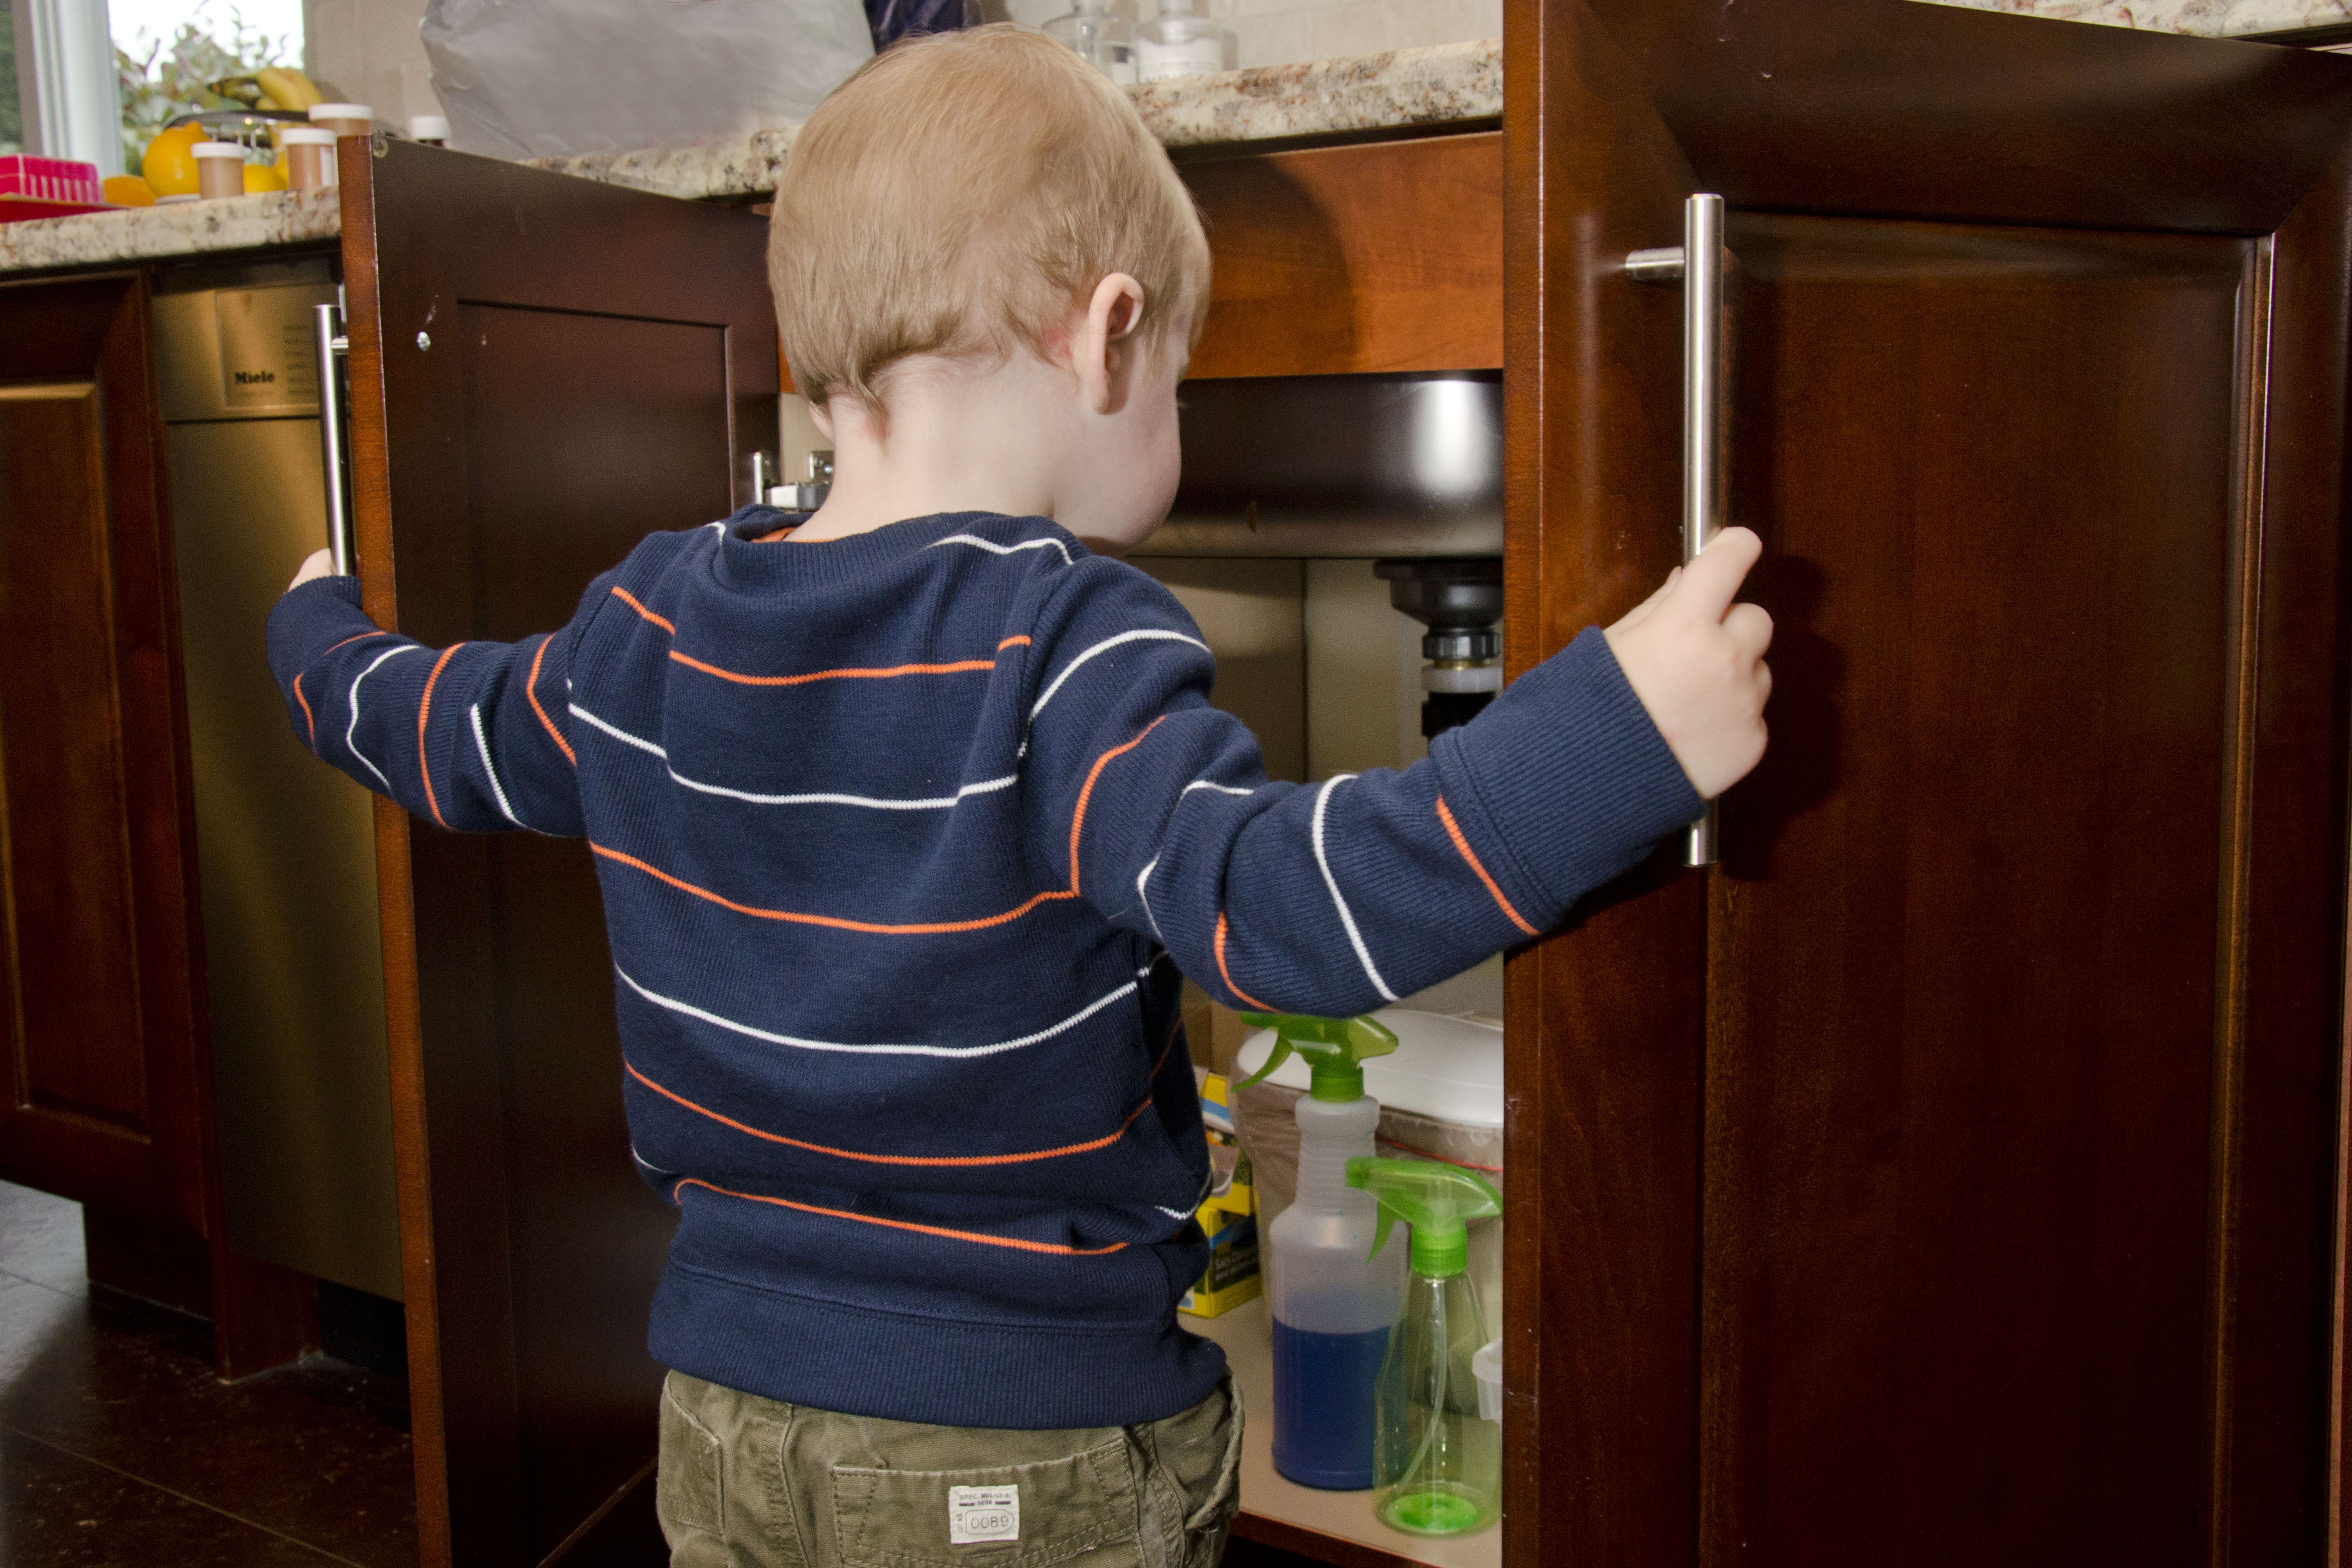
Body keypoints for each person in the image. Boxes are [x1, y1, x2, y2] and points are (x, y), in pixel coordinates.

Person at [265, 24, 1770, 1568]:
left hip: (723, 1425)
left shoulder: (648, 625)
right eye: (1179, 375)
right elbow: (1277, 910)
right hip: (1016, 1446)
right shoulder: (1060, 645)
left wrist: (318, 634)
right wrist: (1617, 738)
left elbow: (432, 726)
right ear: (1105, 336)